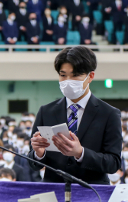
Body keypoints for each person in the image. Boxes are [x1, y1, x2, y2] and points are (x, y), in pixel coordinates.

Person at [29, 46, 122, 184]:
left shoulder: (109, 113)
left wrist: (81, 153)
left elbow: (113, 163)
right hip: (54, 189)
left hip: (92, 191)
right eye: (63, 75)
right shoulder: (46, 111)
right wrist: (39, 153)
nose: (68, 80)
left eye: (75, 75)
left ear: (90, 76)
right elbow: (32, 163)